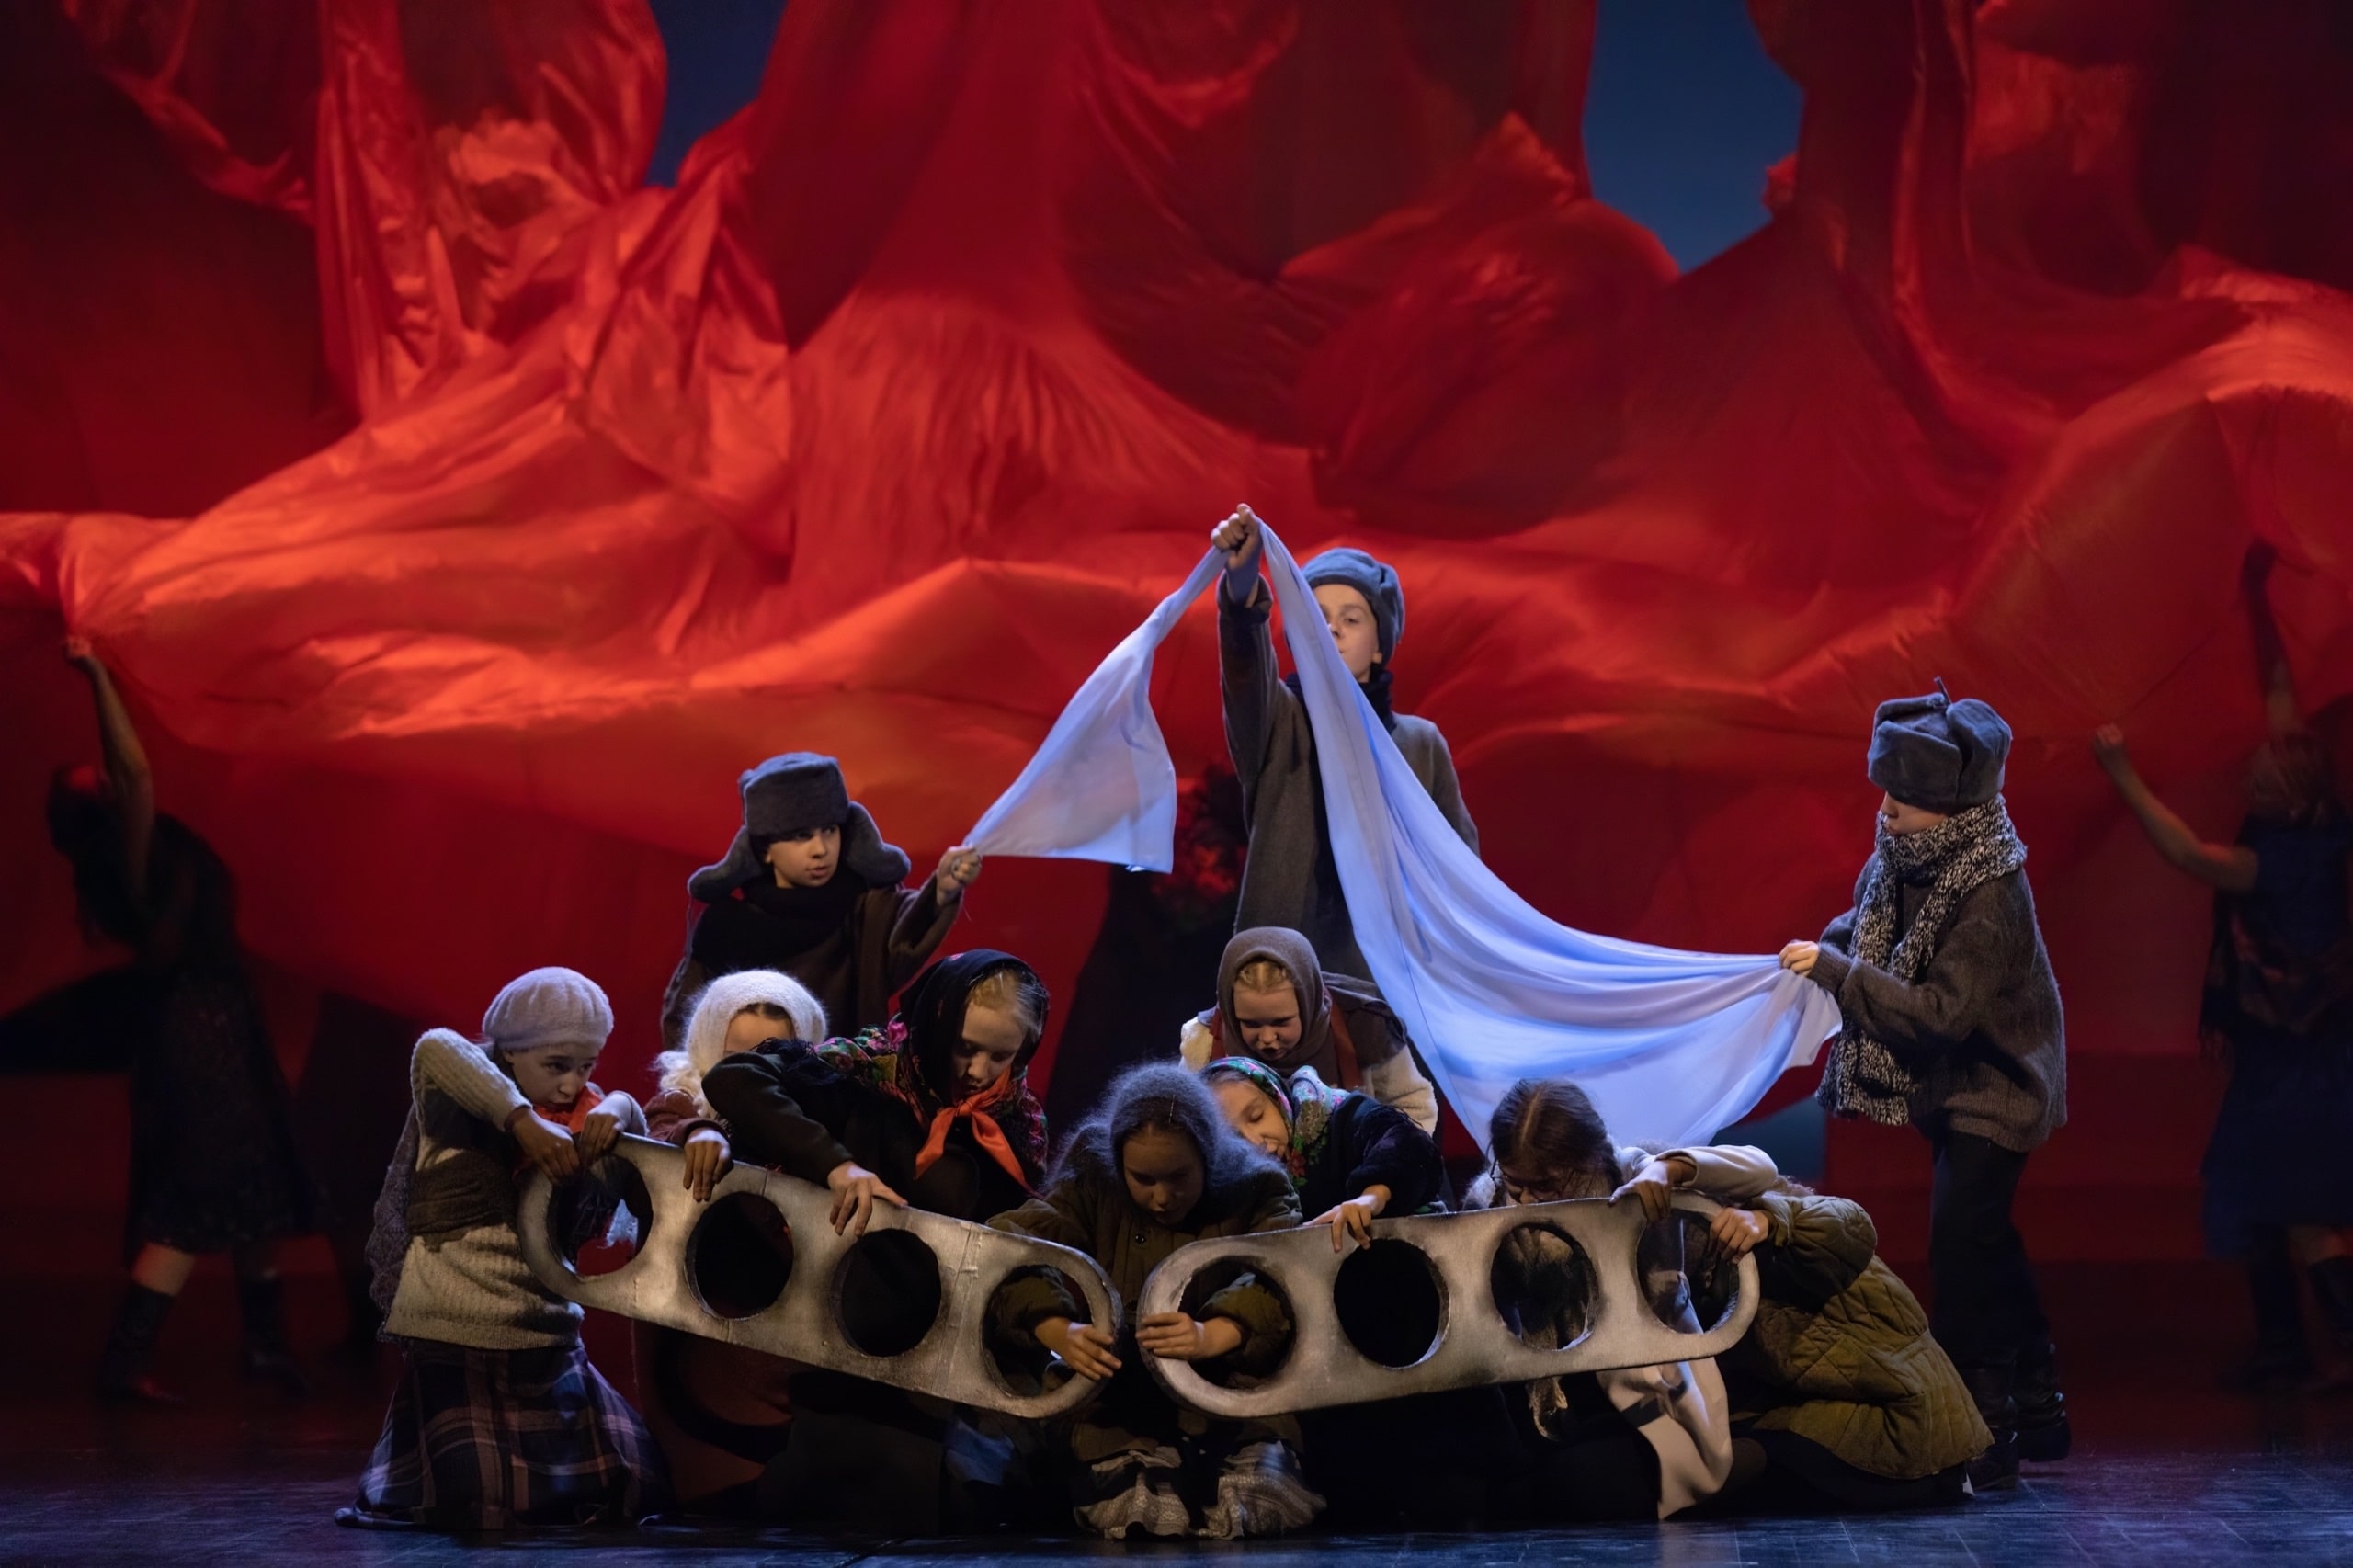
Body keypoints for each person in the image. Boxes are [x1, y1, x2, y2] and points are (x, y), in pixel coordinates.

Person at [1780, 686, 2067, 1486]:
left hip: (2001, 1085)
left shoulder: (1990, 889)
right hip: (1946, 1085)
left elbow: (1940, 1014)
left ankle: (1988, 1422)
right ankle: (2040, 1393)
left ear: (1947, 807)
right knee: (1986, 1238)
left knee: (1960, 1243)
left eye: (1901, 802)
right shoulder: (1903, 858)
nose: (1885, 812)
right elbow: (1870, 927)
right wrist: (1821, 954)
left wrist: (1839, 972)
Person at [2091, 560, 2353, 1387]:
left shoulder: (2279, 860)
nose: (2251, 771)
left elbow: (2187, 854)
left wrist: (2122, 773)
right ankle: (2285, 1352)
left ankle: (2333, 1350)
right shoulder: (2321, 822)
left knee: (2298, 1211)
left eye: (2264, 774)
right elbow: (2280, 694)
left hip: (2298, 1062)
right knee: (2264, 1202)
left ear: (2289, 791)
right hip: (2297, 1055)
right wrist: (2257, 600)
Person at [47, 636, 322, 1403]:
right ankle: (124, 1362)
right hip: (193, 1038)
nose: (109, 775)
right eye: (95, 781)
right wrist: (98, 675)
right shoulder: (125, 860)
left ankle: (264, 1344)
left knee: (255, 1181)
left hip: (221, 1025)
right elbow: (135, 772)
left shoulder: (138, 854)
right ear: (95, 812)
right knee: (196, 1192)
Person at [699, 950, 1051, 1529]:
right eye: (965, 1048)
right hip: (839, 1341)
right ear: (936, 1023)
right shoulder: (867, 1067)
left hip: (941, 1356)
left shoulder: (1017, 1122)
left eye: (1001, 1055)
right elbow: (733, 1079)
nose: (978, 1071)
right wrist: (836, 1165)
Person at [341, 968, 665, 1530]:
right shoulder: (454, 1102)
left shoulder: (585, 1114)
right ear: (510, 1052)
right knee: (482, 1493)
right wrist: (521, 1122)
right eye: (556, 1066)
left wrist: (619, 1105)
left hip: (546, 1340)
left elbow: (633, 1154)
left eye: (586, 1066)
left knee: (637, 1481)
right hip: (457, 1338)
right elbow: (436, 1047)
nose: (571, 1085)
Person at [987, 1062, 1316, 1539]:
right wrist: (1057, 1327)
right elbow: (1012, 1246)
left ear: (1207, 1155)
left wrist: (1214, 1332)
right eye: (1143, 1179)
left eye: (1179, 1177)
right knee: (1140, 1499)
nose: (1162, 1197)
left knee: (1254, 1493)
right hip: (1119, 1400)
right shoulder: (1093, 1181)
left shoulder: (1257, 1186)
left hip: (1236, 1397)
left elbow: (1285, 1269)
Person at [1468, 1077, 1776, 1521]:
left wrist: (1672, 1170)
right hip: (1552, 1386)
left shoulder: (1630, 1173)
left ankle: (1728, 1472)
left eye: (1546, 1185)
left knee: (1580, 1486)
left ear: (1587, 1159)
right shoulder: (1490, 1201)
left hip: (1643, 1388)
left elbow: (1760, 1168)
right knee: (1503, 1495)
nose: (1528, 1201)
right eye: (1517, 1185)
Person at [1209, 504, 1476, 980]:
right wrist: (1242, 590)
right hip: (1281, 983)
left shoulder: (1419, 745)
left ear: (1379, 645)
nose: (1331, 628)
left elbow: (1461, 875)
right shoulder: (1279, 721)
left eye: (1351, 619)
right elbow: (1245, 671)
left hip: (1392, 984)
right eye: (1317, 616)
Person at [634, 971, 826, 1513]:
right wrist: (701, 1132)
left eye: (772, 1055)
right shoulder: (685, 1102)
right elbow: (664, 1128)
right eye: (735, 1057)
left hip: (794, 1332)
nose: (750, 1073)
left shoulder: (815, 1121)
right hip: (708, 1336)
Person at [660, 752, 980, 1051]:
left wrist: (942, 891)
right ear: (765, 848)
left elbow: (906, 932)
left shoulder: (864, 911)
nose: (821, 849)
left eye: (829, 830)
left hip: (842, 1085)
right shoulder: (726, 926)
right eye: (802, 836)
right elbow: (685, 1021)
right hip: (742, 1087)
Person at [1710, 1179, 1986, 1512]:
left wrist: (1769, 1218)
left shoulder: (1790, 1235)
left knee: (1732, 1465)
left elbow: (1850, 1221)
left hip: (1905, 1433)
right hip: (1860, 1425)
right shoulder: (1720, 1268)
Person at [1178, 926, 1437, 1133]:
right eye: (1251, 1024)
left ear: (1308, 1004)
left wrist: (1389, 1165)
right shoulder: (1203, 1042)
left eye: (1281, 1022)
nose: (1267, 1038)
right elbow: (1182, 1122)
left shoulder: (1366, 1029)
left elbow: (1413, 1103)